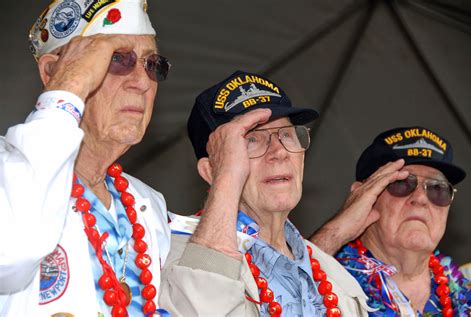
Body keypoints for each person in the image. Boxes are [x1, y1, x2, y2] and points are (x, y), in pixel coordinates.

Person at [0, 0, 172, 316]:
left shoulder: (148, 203)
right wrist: (67, 88)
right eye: (117, 59)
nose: (142, 81)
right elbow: (10, 252)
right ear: (52, 72)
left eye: (152, 65)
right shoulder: (5, 170)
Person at [159, 70, 373, 316]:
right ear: (211, 171)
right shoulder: (170, 256)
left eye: (287, 135)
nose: (279, 152)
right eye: (251, 140)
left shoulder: (336, 278)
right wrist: (227, 179)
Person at [313, 126, 471, 316]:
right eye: (402, 182)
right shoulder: (325, 284)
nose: (421, 198)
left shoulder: (465, 293)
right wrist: (336, 231)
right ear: (364, 198)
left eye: (438, 188)